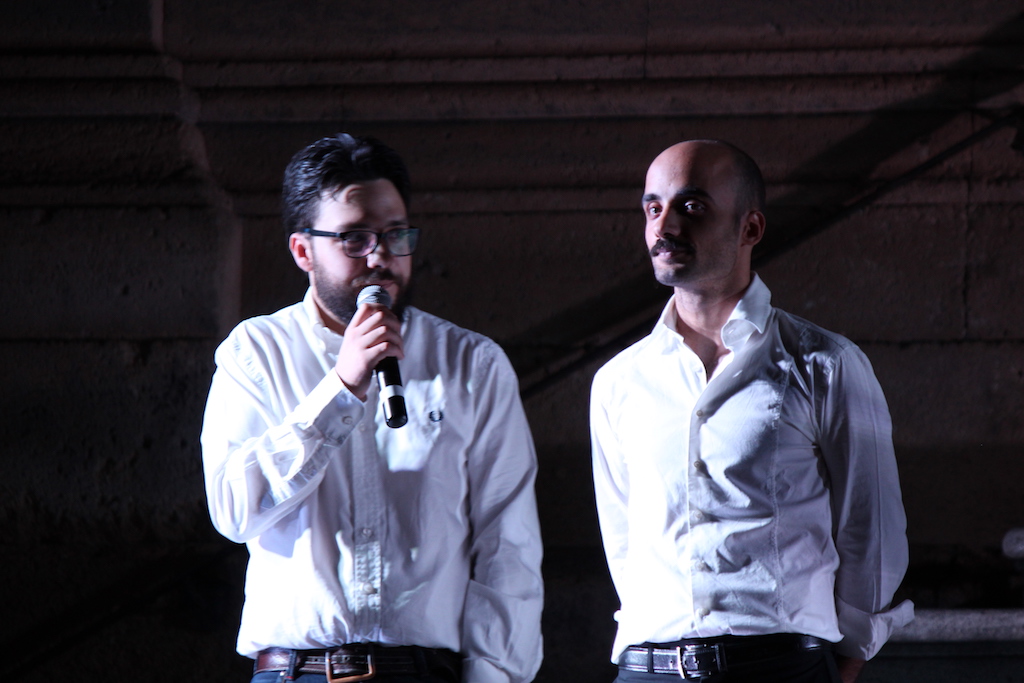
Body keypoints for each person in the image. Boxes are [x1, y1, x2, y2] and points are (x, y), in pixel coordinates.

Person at [201, 133, 544, 683]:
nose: (380, 256)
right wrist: (342, 386)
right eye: (355, 238)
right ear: (303, 251)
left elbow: (509, 547)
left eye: (395, 235)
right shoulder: (255, 352)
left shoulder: (472, 363)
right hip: (297, 672)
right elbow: (234, 511)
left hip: (424, 672)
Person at [590, 139, 914, 683]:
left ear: (751, 228)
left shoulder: (826, 364)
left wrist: (848, 656)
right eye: (653, 208)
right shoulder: (618, 382)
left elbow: (872, 528)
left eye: (691, 206)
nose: (664, 226)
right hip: (649, 668)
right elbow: (623, 542)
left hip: (779, 667)